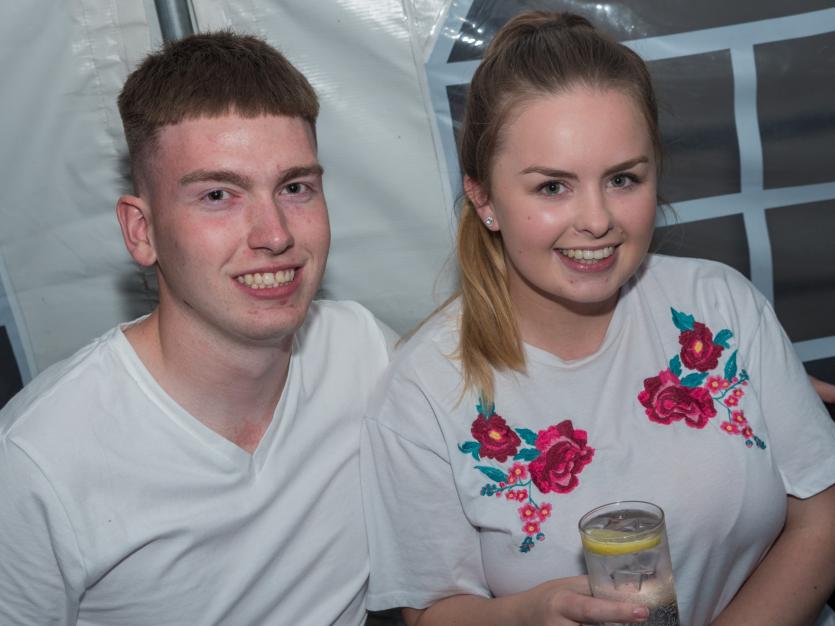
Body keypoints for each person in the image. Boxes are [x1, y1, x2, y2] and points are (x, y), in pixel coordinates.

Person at [361, 11, 835, 626]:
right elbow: (431, 610)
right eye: (552, 187)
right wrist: (527, 614)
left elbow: (822, 515)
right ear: (484, 199)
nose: (596, 220)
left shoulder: (721, 309)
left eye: (622, 179)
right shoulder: (422, 392)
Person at [0, 32, 391, 625]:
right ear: (142, 232)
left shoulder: (363, 350)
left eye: (295, 188)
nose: (275, 234)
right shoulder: (37, 461)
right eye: (217, 195)